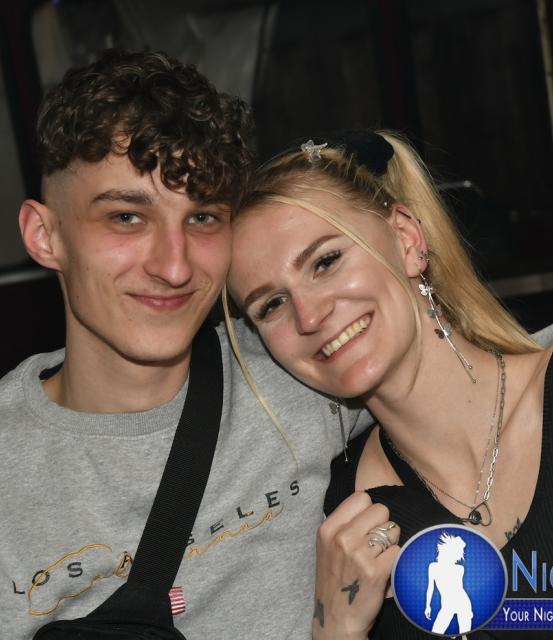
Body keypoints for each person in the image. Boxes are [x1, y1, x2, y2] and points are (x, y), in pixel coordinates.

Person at [0, 50, 374, 640]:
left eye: (202, 219)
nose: (174, 267)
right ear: (45, 236)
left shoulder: (294, 368)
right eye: (127, 217)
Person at [226, 130, 553, 639]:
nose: (308, 316)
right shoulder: (345, 518)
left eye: (326, 262)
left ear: (406, 239)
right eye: (271, 304)